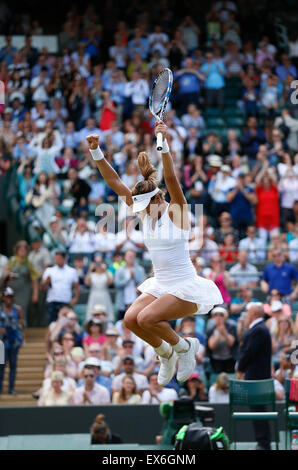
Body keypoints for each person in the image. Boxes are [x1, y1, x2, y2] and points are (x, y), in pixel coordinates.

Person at [86, 123, 223, 389]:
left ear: (158, 199)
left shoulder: (177, 213)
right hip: (161, 284)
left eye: (145, 205)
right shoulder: (143, 213)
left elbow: (171, 179)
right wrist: (96, 151)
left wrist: (162, 140)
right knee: (130, 320)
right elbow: (114, 181)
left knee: (147, 318)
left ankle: (185, 348)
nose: (140, 210)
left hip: (185, 286)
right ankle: (166, 354)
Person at [237, 302, 272, 450]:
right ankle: (263, 442)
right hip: (256, 377)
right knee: (257, 410)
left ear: (255, 314)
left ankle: (263, 443)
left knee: (258, 410)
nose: (246, 315)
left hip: (256, 378)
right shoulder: (258, 329)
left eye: (248, 312)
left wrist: (240, 369)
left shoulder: (258, 330)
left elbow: (249, 353)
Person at [1, 240, 40, 326]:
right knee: (9, 308)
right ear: (17, 250)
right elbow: (4, 274)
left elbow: (34, 279)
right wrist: (8, 275)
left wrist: (35, 293)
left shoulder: (29, 263)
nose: (22, 252)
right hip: (12, 290)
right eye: (20, 250)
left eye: (24, 250)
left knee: (22, 309)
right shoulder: (12, 260)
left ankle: (22, 330)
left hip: (24, 291)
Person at [41, 250, 80, 325]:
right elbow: (42, 288)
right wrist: (45, 282)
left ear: (64, 259)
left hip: (65, 302)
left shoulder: (72, 271)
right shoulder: (49, 271)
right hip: (52, 301)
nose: (56, 260)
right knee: (50, 324)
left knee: (66, 324)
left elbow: (76, 287)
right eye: (55, 258)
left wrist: (76, 298)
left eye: (59, 258)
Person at [0, 287, 24, 395]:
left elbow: (23, 323)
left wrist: (20, 326)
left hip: (14, 341)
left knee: (13, 365)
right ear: (3, 297)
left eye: (11, 296)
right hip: (2, 343)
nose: (9, 299)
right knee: (1, 365)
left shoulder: (17, 309)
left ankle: (11, 388)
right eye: (7, 296)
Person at [114, 249, 146, 320]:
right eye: (129, 256)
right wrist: (128, 279)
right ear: (125, 257)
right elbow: (117, 284)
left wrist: (133, 277)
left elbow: (142, 285)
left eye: (132, 256)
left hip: (136, 300)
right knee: (121, 321)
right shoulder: (119, 270)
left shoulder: (140, 269)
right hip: (122, 301)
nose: (131, 258)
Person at [207, 306, 238, 373]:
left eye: (221, 315)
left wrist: (224, 332)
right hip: (216, 360)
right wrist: (218, 334)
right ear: (212, 317)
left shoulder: (231, 326)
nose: (218, 317)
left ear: (225, 317)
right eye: (216, 315)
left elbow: (231, 343)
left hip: (230, 359)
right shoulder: (210, 329)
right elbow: (211, 346)